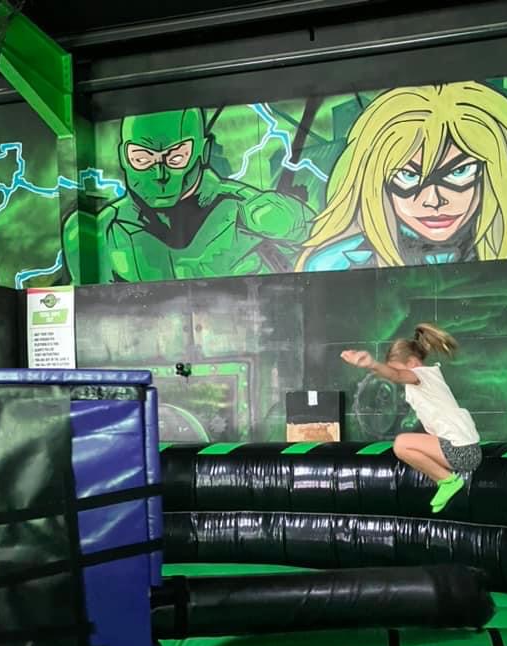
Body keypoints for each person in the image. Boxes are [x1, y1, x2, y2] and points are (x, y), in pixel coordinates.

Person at [299, 82, 507, 272]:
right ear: (376, 184)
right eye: (407, 176)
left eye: (458, 171)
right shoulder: (333, 265)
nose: (433, 200)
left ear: (496, 174)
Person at [62, 108, 314, 283]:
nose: (160, 175)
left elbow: (321, 253)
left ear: (203, 151)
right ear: (123, 157)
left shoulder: (250, 211)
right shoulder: (100, 231)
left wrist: (294, 224)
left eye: (176, 158)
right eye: (142, 159)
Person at [341, 323, 481, 513]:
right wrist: (368, 367)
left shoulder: (421, 375)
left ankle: (447, 480)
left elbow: (397, 375)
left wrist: (372, 363)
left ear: (413, 363)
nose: (394, 379)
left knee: (401, 444)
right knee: (413, 440)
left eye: (397, 370)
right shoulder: (427, 380)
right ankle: (447, 480)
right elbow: (394, 374)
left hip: (462, 451)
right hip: (467, 449)